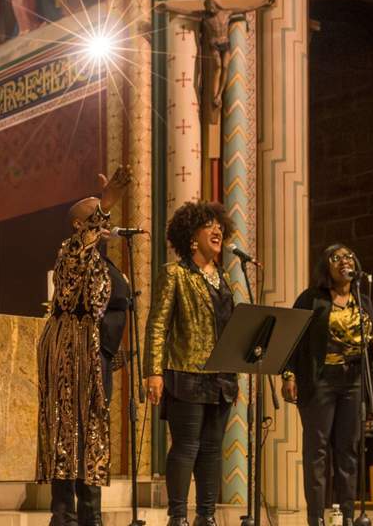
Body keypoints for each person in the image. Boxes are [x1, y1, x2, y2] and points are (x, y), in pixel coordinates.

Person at [38, 167, 130, 526]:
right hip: (71, 355)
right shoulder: (71, 252)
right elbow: (79, 267)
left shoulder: (105, 262)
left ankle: (90, 515)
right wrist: (105, 203)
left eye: (104, 215)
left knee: (91, 432)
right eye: (96, 216)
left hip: (96, 357)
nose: (104, 221)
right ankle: (64, 516)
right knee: (69, 432)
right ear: (80, 226)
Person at [144, 201, 239, 526]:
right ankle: (178, 516)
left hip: (222, 376)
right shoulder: (174, 274)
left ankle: (206, 516)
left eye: (220, 226)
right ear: (191, 235)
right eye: (209, 225)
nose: (217, 230)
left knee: (213, 450)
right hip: (186, 371)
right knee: (186, 446)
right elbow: (158, 323)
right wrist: (154, 371)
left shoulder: (224, 278)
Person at [282, 245, 373, 526]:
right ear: (325, 266)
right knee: (317, 450)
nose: (344, 261)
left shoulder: (362, 300)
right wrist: (289, 375)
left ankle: (346, 515)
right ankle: (316, 517)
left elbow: (366, 340)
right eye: (336, 257)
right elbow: (291, 340)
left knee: (348, 450)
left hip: (352, 381)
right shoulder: (311, 299)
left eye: (349, 256)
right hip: (320, 381)